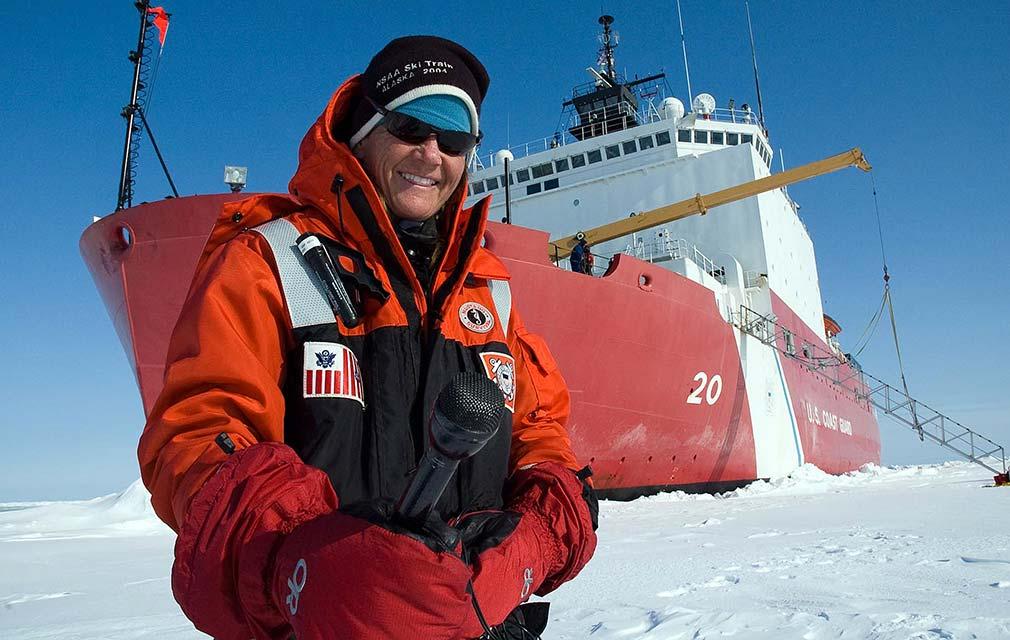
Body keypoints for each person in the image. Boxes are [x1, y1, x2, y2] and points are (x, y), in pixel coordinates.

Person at [137, 36, 597, 640]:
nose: (433, 154)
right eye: (411, 127)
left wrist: (528, 544)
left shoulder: (488, 287)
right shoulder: (264, 261)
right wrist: (302, 560)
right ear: (361, 132)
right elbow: (198, 435)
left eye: (455, 139)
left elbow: (539, 434)